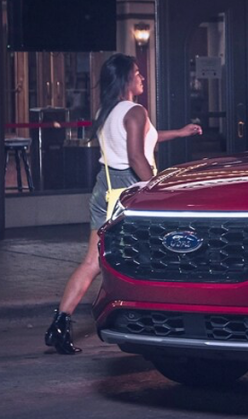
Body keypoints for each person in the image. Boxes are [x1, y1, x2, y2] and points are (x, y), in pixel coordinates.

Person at [43, 53, 201, 354]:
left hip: (104, 190)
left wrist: (180, 132)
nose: (142, 77)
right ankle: (155, 324)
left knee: (92, 262)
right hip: (129, 191)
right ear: (126, 78)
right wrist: (158, 190)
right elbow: (137, 156)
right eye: (138, 72)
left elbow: (143, 140)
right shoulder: (136, 110)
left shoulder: (108, 110)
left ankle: (60, 324)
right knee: (154, 259)